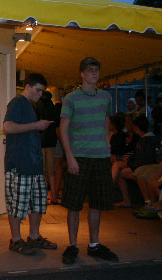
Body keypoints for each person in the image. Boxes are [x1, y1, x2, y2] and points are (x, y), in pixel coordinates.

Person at [59, 57, 118, 265]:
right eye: (90, 70)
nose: (94, 73)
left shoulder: (105, 97)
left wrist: (107, 141)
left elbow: (106, 119)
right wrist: (69, 156)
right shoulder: (71, 99)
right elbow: (63, 128)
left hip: (100, 156)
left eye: (96, 69)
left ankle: (94, 244)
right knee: (73, 204)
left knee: (97, 203)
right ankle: (73, 245)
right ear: (82, 74)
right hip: (79, 157)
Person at [3, 73, 57, 256]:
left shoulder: (27, 105)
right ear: (27, 86)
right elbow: (7, 127)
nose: (40, 94)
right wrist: (36, 126)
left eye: (42, 91)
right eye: (38, 90)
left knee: (37, 203)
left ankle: (34, 236)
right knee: (17, 205)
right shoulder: (18, 102)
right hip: (20, 164)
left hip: (32, 165)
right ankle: (16, 239)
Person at [113, 115, 160, 208]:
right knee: (118, 168)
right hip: (140, 165)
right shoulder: (144, 139)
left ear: (136, 127)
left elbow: (144, 160)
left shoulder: (146, 140)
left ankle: (110, 190)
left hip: (143, 167)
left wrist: (129, 162)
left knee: (117, 166)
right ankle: (126, 200)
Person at [34, 90, 58, 205]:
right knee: (51, 171)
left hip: (40, 140)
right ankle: (54, 196)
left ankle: (42, 196)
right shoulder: (52, 106)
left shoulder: (38, 105)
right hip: (52, 141)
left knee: (41, 170)